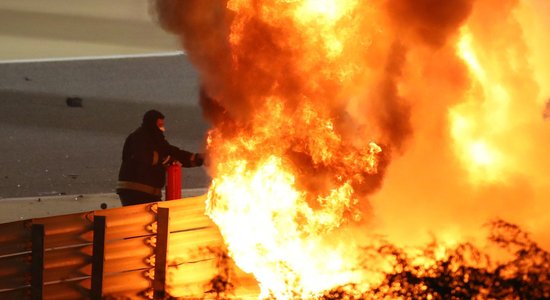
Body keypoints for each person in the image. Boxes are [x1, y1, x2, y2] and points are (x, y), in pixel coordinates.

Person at [116, 109, 204, 206]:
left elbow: (173, 152)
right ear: (151, 124)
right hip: (135, 192)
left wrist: (195, 158)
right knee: (142, 218)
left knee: (156, 218)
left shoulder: (156, 139)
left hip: (149, 193)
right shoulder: (138, 137)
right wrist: (166, 159)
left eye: (162, 125)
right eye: (159, 125)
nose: (162, 128)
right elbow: (144, 157)